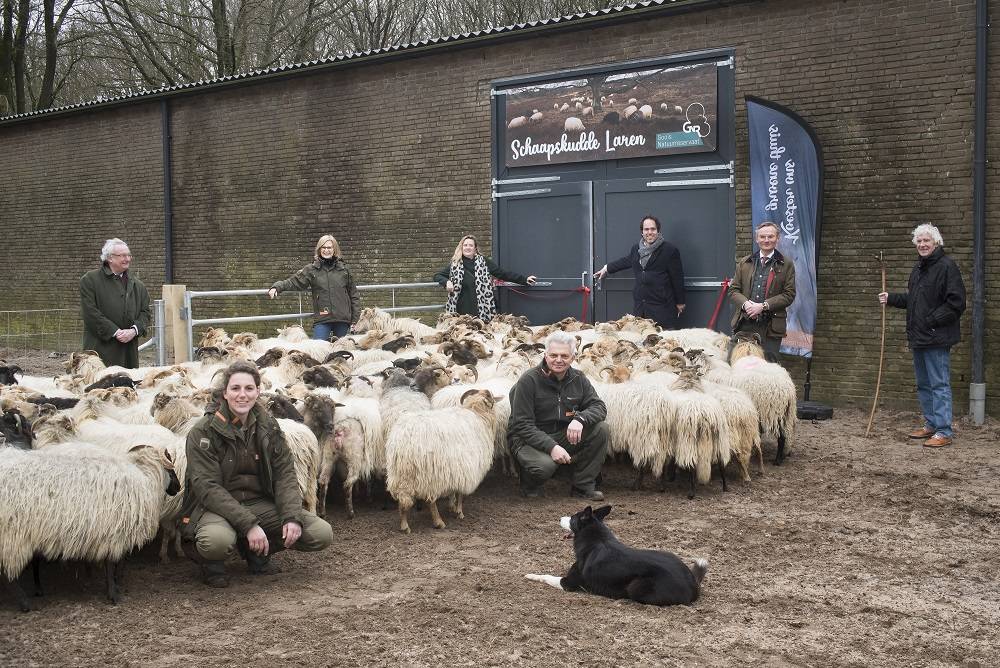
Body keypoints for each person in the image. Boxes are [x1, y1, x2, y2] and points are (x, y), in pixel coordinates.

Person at [180, 361, 333, 587]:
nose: (242, 395)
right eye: (235, 389)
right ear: (225, 393)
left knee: (320, 533)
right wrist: (249, 525)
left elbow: (285, 474)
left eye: (249, 389)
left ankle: (256, 552)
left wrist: (291, 516)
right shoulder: (203, 431)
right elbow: (207, 487)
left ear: (258, 391)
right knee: (216, 542)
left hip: (257, 502)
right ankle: (212, 563)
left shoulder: (268, 426)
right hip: (214, 507)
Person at [878, 224, 966, 448]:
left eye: (926, 240)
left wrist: (931, 321)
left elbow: (956, 303)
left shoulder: (947, 267)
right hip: (919, 337)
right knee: (924, 384)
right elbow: (914, 300)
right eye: (919, 241)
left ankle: (944, 431)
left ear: (936, 242)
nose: (922, 244)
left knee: (939, 384)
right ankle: (931, 424)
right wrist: (891, 298)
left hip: (937, 337)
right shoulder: (918, 269)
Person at [507, 331, 609, 501]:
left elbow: (598, 406)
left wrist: (580, 419)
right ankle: (529, 482)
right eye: (553, 355)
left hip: (562, 434)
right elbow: (522, 425)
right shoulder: (528, 380)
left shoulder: (578, 379)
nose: (558, 360)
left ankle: (582, 485)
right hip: (529, 438)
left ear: (573, 357)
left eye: (564, 355)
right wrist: (552, 447)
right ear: (545, 355)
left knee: (601, 429)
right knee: (544, 467)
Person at [594, 215, 686, 329]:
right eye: (646, 229)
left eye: (653, 229)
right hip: (641, 308)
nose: (649, 232)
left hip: (662, 308)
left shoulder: (669, 250)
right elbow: (626, 261)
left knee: (664, 343)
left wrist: (680, 302)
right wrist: (606, 268)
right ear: (642, 232)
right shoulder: (636, 249)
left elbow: (677, 277)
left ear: (658, 230)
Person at [727, 221, 796, 362]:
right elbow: (733, 290)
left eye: (770, 236)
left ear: (777, 238)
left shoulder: (787, 264)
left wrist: (763, 306)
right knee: (735, 364)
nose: (766, 240)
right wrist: (746, 304)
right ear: (756, 239)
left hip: (771, 326)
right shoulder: (745, 262)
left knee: (768, 368)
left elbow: (789, 295)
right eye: (763, 237)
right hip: (744, 323)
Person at [268, 235, 360, 341]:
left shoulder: (344, 270)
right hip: (323, 318)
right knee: (318, 351)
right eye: (323, 247)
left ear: (334, 249)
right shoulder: (311, 270)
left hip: (342, 319)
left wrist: (355, 320)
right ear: (319, 249)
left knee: (342, 351)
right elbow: (294, 282)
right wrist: (277, 287)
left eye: (329, 248)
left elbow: (354, 295)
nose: (326, 250)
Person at [79, 238, 152, 369]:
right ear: (109, 258)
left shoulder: (138, 285)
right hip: (100, 351)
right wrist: (115, 332)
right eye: (123, 255)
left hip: (128, 352)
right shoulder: (90, 280)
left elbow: (145, 313)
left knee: (126, 387)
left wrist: (133, 331)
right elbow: (91, 313)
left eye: (129, 255)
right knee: (100, 388)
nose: (128, 259)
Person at [433, 234, 537, 322]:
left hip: (481, 309)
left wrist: (524, 279)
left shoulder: (483, 261)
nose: (467, 247)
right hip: (461, 310)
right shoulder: (455, 264)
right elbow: (437, 276)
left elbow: (502, 273)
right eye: (465, 245)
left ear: (475, 248)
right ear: (461, 247)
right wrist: (446, 282)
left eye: (470, 245)